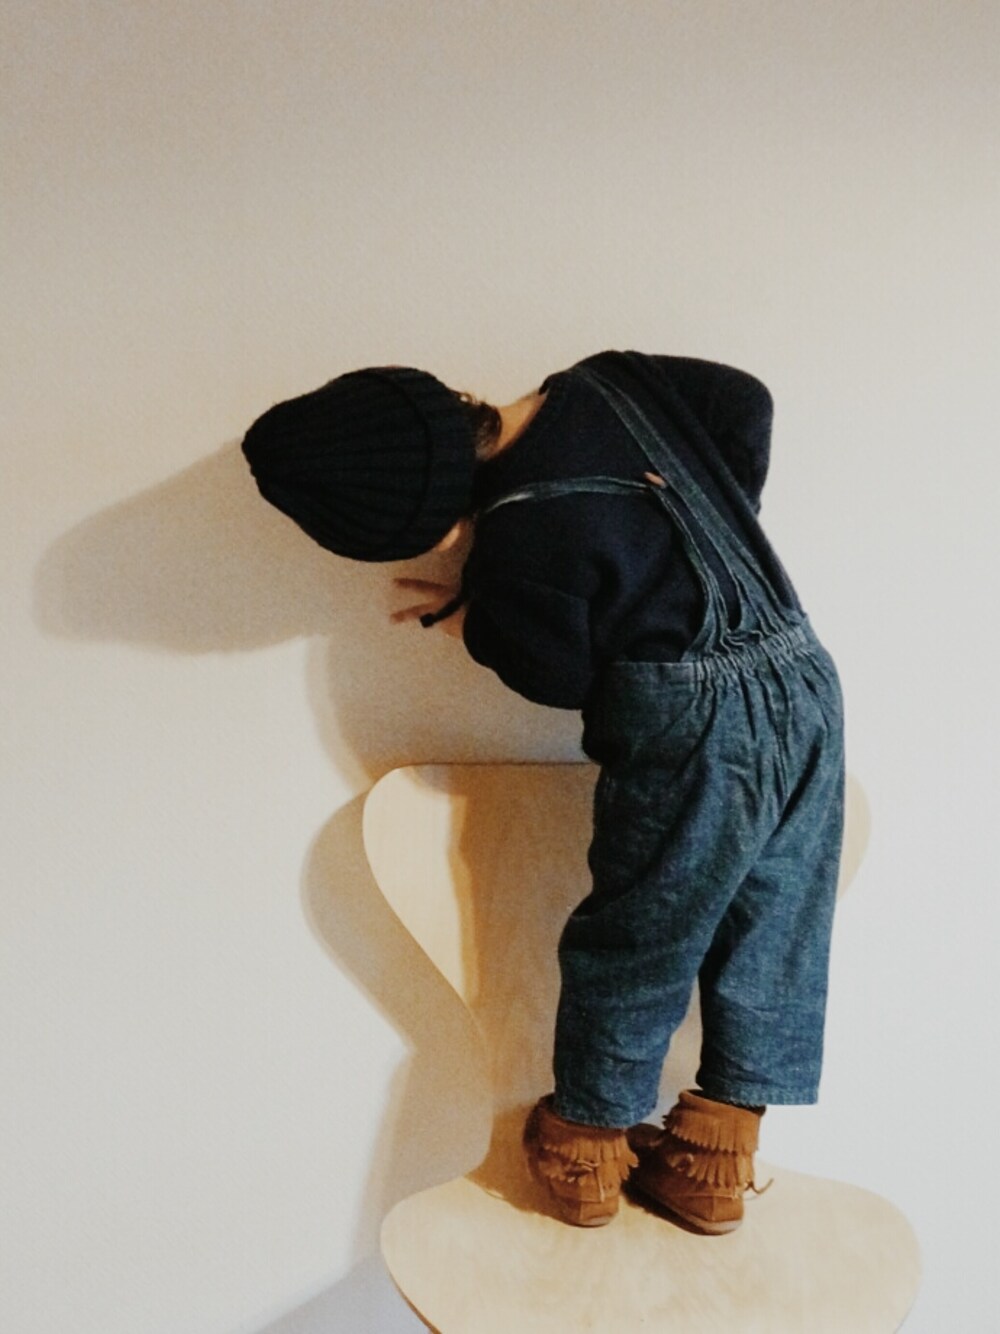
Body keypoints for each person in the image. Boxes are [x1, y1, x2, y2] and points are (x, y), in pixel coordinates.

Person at [241, 350, 845, 1234]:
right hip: (805, 676)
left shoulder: (518, 540)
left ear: (423, 518)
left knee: (642, 934)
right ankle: (715, 1161)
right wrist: (713, 521)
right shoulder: (611, 381)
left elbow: (554, 673)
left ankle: (585, 1148)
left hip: (691, 730)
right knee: (780, 925)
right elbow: (743, 401)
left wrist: (470, 609)